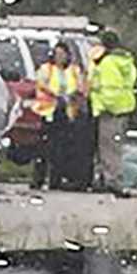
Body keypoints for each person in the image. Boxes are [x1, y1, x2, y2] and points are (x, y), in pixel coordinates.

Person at [89, 31, 137, 196]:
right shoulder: (126, 61)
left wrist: (104, 106)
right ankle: (107, 178)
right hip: (123, 109)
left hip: (110, 112)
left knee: (107, 148)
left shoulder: (108, 63)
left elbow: (109, 89)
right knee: (114, 147)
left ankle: (111, 180)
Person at [31, 42, 84, 190]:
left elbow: (80, 88)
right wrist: (55, 94)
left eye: (62, 54)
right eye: (57, 54)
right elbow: (41, 84)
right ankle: (39, 179)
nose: (60, 57)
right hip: (48, 112)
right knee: (43, 148)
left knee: (61, 148)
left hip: (67, 113)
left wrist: (72, 96)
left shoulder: (74, 70)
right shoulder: (46, 69)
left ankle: (56, 179)